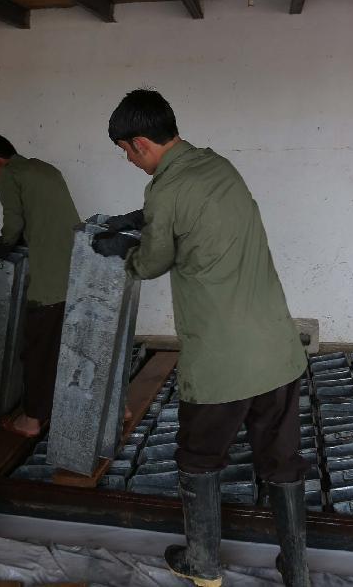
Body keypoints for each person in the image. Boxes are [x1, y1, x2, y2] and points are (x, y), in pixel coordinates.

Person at [93, 89, 310, 587]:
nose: (129, 160)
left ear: (142, 143)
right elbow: (199, 222)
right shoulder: (219, 167)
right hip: (276, 350)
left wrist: (123, 249)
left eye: (126, 151)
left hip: (221, 362)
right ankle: (297, 571)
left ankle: (205, 566)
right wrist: (140, 221)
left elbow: (151, 262)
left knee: (198, 456)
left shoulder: (164, 191)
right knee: (281, 460)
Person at [0, 132, 80, 437]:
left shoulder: (11, 175)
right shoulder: (45, 169)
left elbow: (14, 223)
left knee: (37, 347)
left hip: (49, 279)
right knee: (64, 344)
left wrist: (3, 247)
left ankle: (32, 419)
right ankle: (60, 407)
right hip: (75, 268)